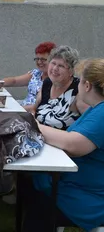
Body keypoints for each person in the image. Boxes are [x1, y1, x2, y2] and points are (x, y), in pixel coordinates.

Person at [21, 58, 104, 232]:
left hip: (90, 196)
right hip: (78, 183)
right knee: (28, 183)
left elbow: (74, 144)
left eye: (79, 81)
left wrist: (33, 125)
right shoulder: (96, 109)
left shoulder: (101, 112)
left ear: (87, 86)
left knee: (38, 202)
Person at [30, 45, 88, 130]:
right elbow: (34, 109)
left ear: (71, 71)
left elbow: (92, 123)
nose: (55, 68)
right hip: (39, 136)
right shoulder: (47, 83)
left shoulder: (78, 90)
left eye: (61, 66)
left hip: (61, 141)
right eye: (53, 63)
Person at [1, 42, 56, 108]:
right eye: (37, 59)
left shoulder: (56, 80)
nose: (39, 62)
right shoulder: (35, 74)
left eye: (43, 59)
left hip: (33, 112)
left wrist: (18, 109)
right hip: (23, 106)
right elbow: (14, 81)